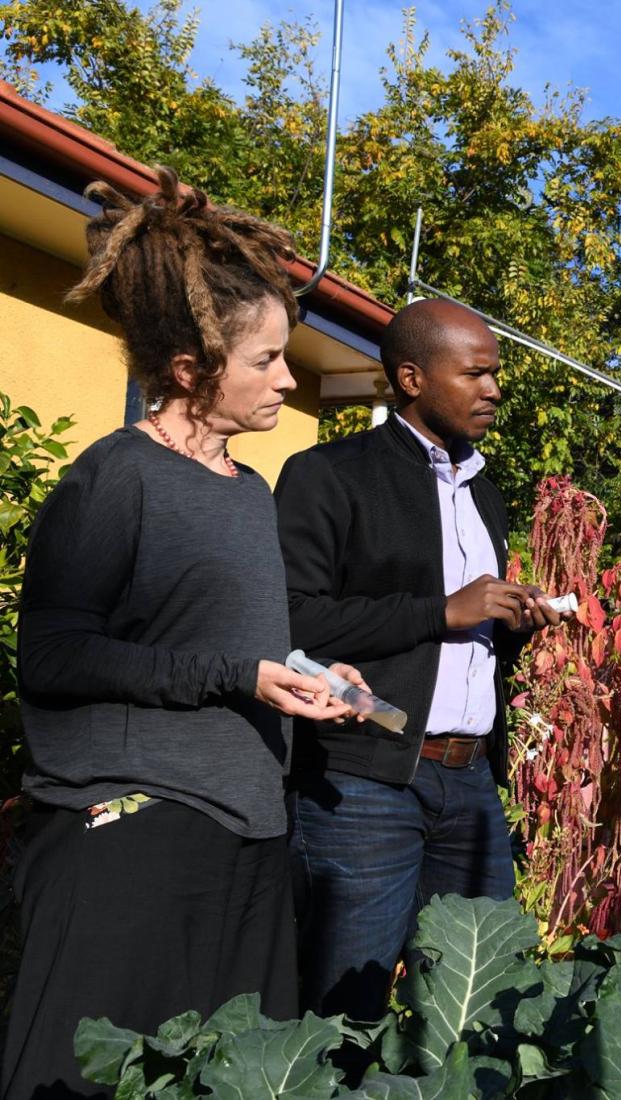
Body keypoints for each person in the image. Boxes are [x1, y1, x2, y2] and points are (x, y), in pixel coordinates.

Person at [3, 169, 365, 1099]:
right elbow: (51, 657)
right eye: (267, 361)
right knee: (82, 1084)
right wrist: (237, 675)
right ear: (191, 370)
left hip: (246, 833)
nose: (289, 378)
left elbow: (227, 644)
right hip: (132, 830)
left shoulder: (247, 494)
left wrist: (311, 674)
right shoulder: (113, 480)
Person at [275, 297, 561, 1022]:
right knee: (348, 1004)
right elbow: (290, 616)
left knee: (485, 1002)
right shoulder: (329, 475)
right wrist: (442, 610)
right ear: (410, 376)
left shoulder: (484, 493)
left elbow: (463, 641)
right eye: (475, 374)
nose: (492, 389)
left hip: (468, 784)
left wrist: (513, 621)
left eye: (495, 375)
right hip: (364, 775)